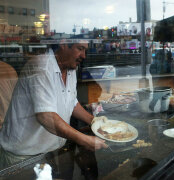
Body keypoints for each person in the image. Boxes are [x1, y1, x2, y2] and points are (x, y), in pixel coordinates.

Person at [0, 40, 108, 169]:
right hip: (24, 155)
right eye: (80, 48)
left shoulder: (70, 68)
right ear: (63, 44)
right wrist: (83, 139)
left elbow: (71, 102)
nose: (83, 55)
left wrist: (93, 120)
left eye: (85, 50)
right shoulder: (41, 66)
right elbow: (45, 116)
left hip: (50, 151)